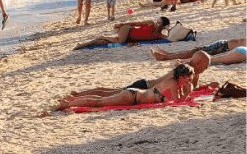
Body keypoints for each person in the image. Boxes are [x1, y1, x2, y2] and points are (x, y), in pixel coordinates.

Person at [54, 64, 194, 110]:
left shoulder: (172, 81)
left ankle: (71, 100)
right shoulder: (174, 84)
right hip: (133, 97)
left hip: (135, 93)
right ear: (183, 76)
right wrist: (188, 93)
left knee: (102, 97)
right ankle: (67, 103)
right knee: (99, 102)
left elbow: (162, 97)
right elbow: (177, 102)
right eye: (189, 77)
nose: (191, 80)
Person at [63, 61, 203, 100]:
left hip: (143, 86)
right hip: (143, 86)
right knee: (106, 93)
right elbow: (175, 97)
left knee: (107, 92)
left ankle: (78, 95)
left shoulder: (177, 74)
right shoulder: (174, 77)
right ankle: (78, 95)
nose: (191, 78)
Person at [73, 16, 170, 49]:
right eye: (157, 21)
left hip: (128, 38)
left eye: (159, 23)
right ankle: (104, 36)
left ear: (163, 26)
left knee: (104, 43)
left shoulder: (159, 36)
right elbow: (135, 23)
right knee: (121, 41)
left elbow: (171, 38)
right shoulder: (150, 23)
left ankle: (82, 44)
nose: (157, 24)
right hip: (127, 29)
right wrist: (122, 24)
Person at [151, 37, 246, 61]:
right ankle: (168, 54)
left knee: (194, 52)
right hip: (223, 45)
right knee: (194, 51)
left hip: (224, 48)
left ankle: (166, 57)